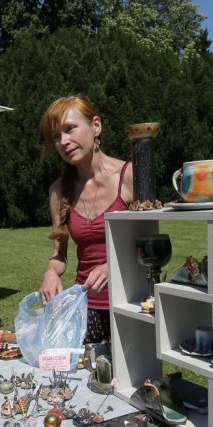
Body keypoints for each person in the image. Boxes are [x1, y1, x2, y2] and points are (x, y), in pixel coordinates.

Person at [38, 95, 134, 344]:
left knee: (130, 368)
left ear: (96, 126)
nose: (63, 142)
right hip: (85, 307)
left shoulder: (129, 176)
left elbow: (152, 246)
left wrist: (113, 265)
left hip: (132, 303)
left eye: (70, 129)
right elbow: (59, 255)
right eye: (56, 136)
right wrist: (51, 272)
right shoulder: (59, 191)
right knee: (76, 366)